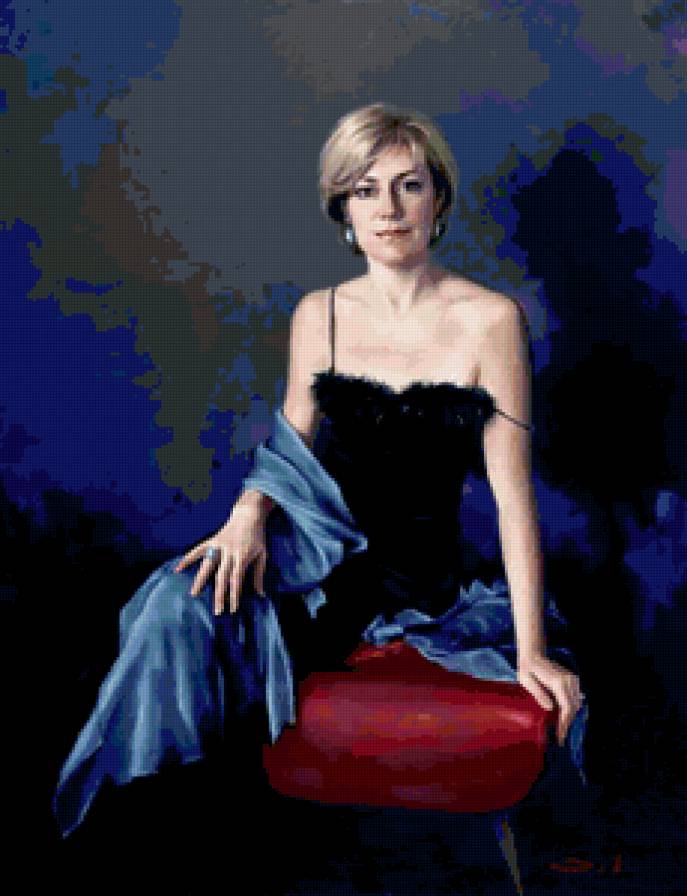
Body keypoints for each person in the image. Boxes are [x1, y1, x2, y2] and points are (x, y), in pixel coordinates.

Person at [52, 103, 588, 867]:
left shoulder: (490, 320)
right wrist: (246, 517)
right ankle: (132, 823)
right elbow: (288, 446)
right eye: (366, 190)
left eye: (408, 185)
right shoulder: (319, 314)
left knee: (199, 619)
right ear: (343, 208)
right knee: (174, 601)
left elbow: (511, 499)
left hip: (414, 582)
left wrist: (531, 651)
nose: (388, 208)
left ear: (438, 198)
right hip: (312, 560)